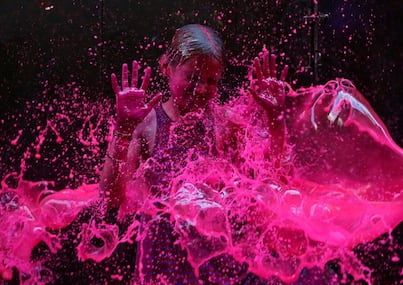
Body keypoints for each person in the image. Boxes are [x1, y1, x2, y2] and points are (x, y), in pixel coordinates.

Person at [99, 24, 289, 284]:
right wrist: (122, 132)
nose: (201, 89)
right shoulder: (147, 125)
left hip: (218, 270)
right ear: (167, 67)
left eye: (211, 81)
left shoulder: (226, 124)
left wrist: (276, 122)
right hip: (161, 266)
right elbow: (111, 198)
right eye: (192, 76)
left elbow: (273, 184)